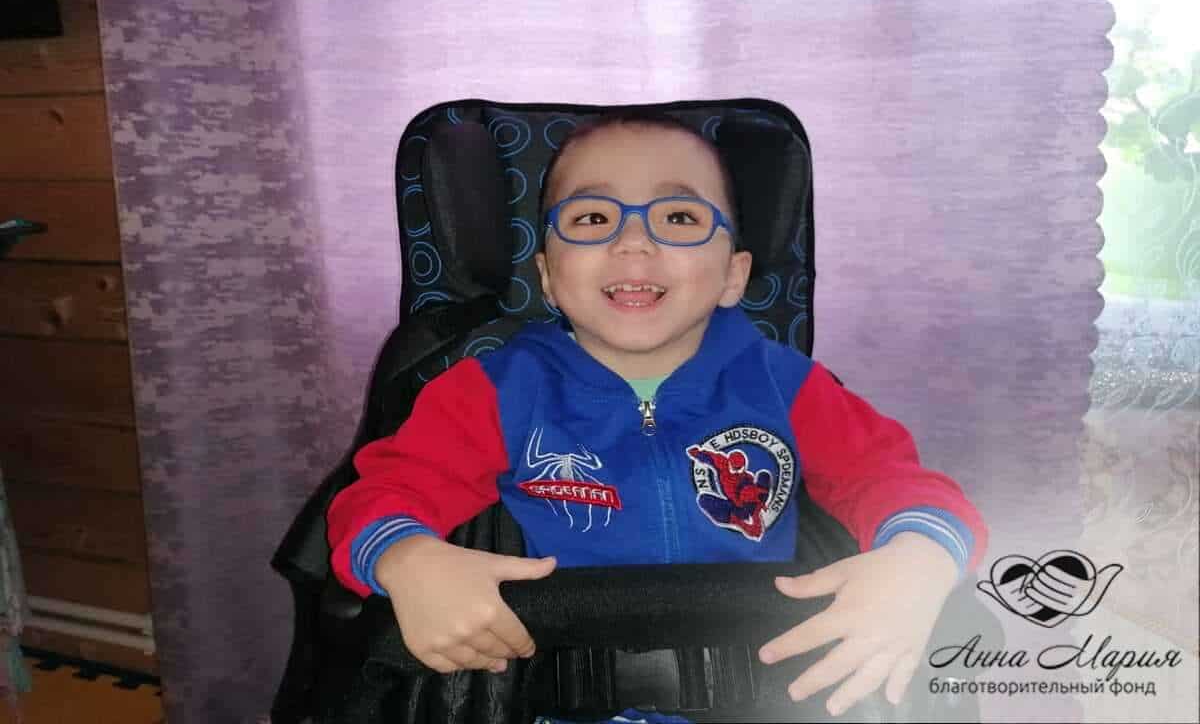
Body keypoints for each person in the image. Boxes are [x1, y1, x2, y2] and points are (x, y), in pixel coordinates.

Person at [327, 112, 988, 721]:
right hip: (559, 696)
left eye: (678, 217)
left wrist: (918, 559)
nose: (634, 243)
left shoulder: (788, 387)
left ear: (733, 276)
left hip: (769, 696)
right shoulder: (490, 392)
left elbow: (896, 482)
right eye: (592, 218)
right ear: (549, 277)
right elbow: (387, 491)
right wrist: (407, 559)